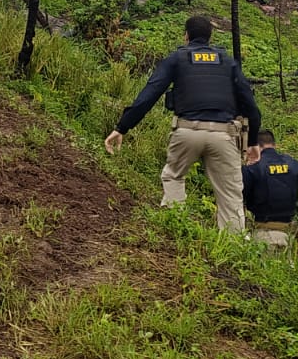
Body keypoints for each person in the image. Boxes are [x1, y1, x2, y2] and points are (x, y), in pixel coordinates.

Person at [103, 15, 261, 234]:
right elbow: (250, 105)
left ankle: (174, 231)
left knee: (174, 176)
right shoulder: (227, 61)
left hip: (187, 131)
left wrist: (122, 127)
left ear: (186, 35)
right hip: (224, 135)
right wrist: (253, 141)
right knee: (231, 196)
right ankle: (232, 251)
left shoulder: (177, 58)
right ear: (210, 36)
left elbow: (150, 93)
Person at [243, 131, 298, 234]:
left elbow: (240, 196)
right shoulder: (294, 164)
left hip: (260, 227)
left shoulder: (252, 168)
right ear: (274, 145)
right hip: (288, 229)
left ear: (255, 146)